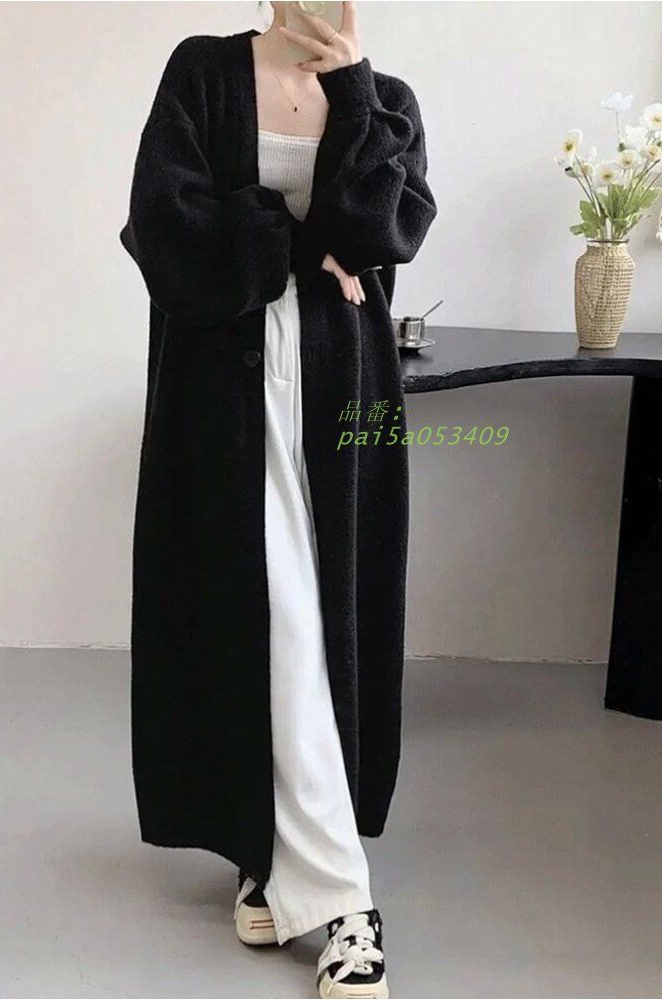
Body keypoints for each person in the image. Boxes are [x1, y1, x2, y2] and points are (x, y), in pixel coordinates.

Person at [119, 3, 436, 996]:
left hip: (342, 395)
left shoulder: (384, 97)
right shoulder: (203, 73)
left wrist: (350, 96)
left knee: (320, 622)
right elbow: (163, 223)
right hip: (223, 393)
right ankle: (321, 881)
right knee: (266, 617)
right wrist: (303, 246)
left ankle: (301, 872)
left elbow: (388, 228)